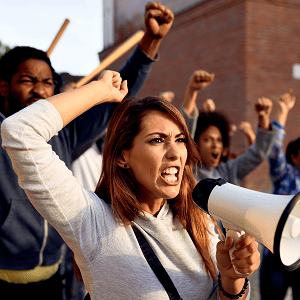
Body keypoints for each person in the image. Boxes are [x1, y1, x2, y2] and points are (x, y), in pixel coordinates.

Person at [2, 69, 261, 300]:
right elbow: (20, 132)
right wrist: (99, 90)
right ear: (123, 156)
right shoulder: (91, 220)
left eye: (180, 139)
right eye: (157, 140)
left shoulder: (199, 219)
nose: (175, 153)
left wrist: (232, 280)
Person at [0, 2, 174, 299]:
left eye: (47, 83)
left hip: (53, 279)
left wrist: (150, 42)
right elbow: (19, 130)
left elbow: (115, 99)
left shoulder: (66, 135)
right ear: (4, 87)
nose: (40, 92)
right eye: (27, 81)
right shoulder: (7, 132)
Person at [180, 69, 275, 185]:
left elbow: (257, 154)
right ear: (195, 144)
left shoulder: (228, 172)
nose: (215, 145)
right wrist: (192, 91)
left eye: (219, 140)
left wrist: (264, 118)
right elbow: (184, 133)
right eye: (207, 139)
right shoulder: (186, 171)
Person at [260, 90, 300, 300]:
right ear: (294, 156)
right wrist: (283, 112)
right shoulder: (285, 174)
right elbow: (275, 150)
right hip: (276, 255)